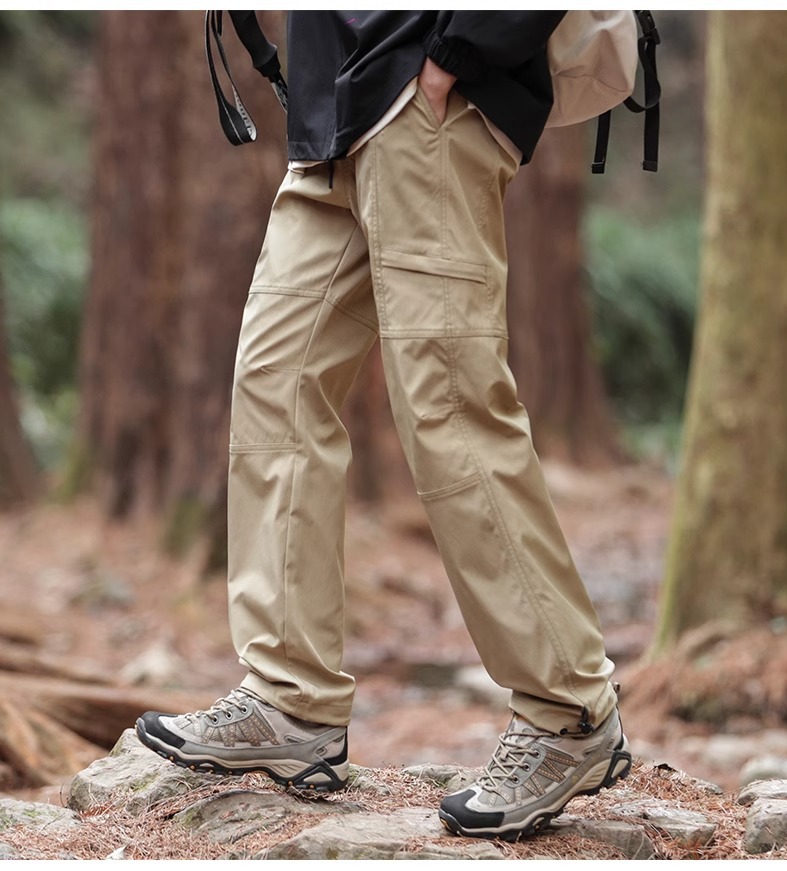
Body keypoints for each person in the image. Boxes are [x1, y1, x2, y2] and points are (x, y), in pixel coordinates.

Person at [135, 11, 631, 841]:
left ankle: (568, 709)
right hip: (331, 108)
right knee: (277, 384)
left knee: (450, 406)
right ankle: (291, 699)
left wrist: (456, 55)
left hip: (426, 90)